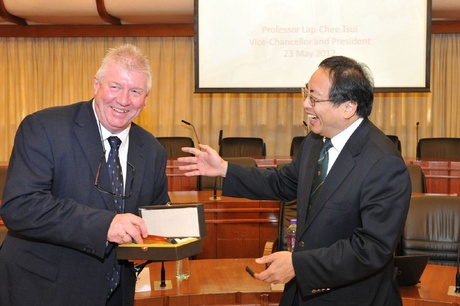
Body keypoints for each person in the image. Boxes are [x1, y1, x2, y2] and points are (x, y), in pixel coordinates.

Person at [178, 56, 411, 305]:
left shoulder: (384, 163)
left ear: (348, 107)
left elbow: (371, 248)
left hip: (352, 297)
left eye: (314, 98)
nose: (305, 104)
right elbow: (282, 182)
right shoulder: (314, 143)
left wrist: (298, 266)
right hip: (302, 294)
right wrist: (224, 169)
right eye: (306, 93)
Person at [0, 44, 170, 306]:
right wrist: (105, 225)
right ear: (96, 85)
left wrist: (149, 247)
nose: (124, 100)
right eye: (115, 87)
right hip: (44, 291)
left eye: (135, 91)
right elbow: (20, 207)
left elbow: (154, 214)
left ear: (146, 98)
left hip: (117, 294)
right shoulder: (44, 128)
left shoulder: (153, 150)